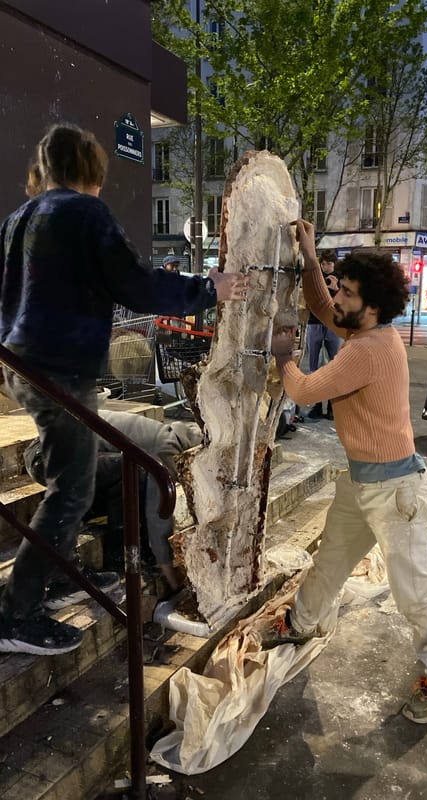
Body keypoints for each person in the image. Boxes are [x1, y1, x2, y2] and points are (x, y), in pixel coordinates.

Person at [0, 122, 247, 656]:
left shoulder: (20, 218)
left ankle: (49, 573)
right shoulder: (83, 212)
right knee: (74, 487)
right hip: (59, 367)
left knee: (74, 475)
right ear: (90, 170)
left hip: (21, 365)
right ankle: (15, 614)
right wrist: (210, 289)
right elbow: (135, 283)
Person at [268, 219, 427, 725]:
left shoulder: (369, 350)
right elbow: (323, 308)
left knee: (412, 589)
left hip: (396, 491)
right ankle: (301, 623)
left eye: (348, 291)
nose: (339, 296)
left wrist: (284, 356)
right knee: (331, 559)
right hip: (363, 481)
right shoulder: (368, 329)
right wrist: (310, 257)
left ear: (371, 305)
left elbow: (304, 392)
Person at [23, 410, 203, 595]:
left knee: (135, 479)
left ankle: (128, 552)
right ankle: (116, 559)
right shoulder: (165, 450)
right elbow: (157, 515)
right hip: (48, 453)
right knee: (136, 472)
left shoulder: (174, 438)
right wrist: (168, 569)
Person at [305, 249, 342, 420]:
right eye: (323, 263)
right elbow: (308, 296)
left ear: (334, 264)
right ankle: (317, 405)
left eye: (328, 263)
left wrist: (335, 289)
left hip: (333, 324)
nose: (325, 267)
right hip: (315, 322)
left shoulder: (340, 279)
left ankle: (334, 407)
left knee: (336, 366)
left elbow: (345, 302)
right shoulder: (315, 276)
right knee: (314, 366)